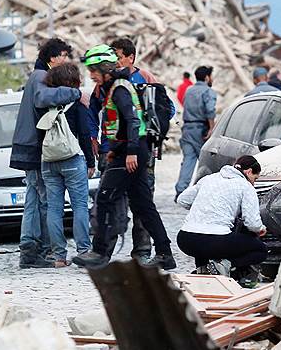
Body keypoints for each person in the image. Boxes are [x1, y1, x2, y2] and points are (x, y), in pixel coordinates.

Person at [73, 45, 176, 270]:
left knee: (105, 198)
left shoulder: (119, 89)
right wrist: (116, 149)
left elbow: (132, 120)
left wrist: (129, 152)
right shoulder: (114, 87)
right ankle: (165, 254)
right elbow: (119, 123)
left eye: (94, 71)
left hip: (132, 152)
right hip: (129, 150)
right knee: (143, 206)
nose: (91, 75)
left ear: (105, 69)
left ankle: (100, 252)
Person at [9, 38, 83, 269]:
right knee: (40, 201)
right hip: (34, 147)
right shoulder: (40, 76)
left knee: (34, 198)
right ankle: (35, 251)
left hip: (29, 146)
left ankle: (30, 250)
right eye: (63, 55)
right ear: (52, 57)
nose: (65, 60)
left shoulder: (37, 75)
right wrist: (75, 93)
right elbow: (43, 98)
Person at [177, 155, 267, 285]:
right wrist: (261, 229)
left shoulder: (209, 178)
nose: (254, 182)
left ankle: (203, 269)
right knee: (260, 250)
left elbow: (182, 200)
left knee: (204, 237)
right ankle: (224, 265)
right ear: (248, 172)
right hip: (215, 240)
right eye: (255, 178)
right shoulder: (246, 186)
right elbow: (252, 223)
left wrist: (203, 207)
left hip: (186, 239)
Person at [41, 64, 96, 268]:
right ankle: (83, 251)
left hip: (48, 161)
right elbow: (84, 133)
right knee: (79, 206)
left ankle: (59, 256)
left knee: (54, 209)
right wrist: (90, 161)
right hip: (72, 159)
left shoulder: (45, 104)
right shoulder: (77, 104)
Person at [176, 65, 216, 198]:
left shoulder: (189, 90)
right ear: (207, 77)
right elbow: (210, 110)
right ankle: (206, 191)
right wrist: (211, 128)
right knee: (206, 162)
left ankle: (181, 190)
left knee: (188, 159)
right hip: (201, 130)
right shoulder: (208, 91)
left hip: (187, 129)